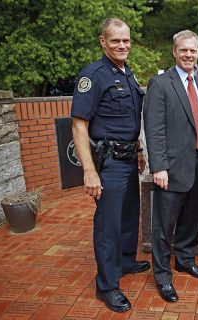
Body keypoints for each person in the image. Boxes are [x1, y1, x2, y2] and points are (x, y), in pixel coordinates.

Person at [71, 18, 150, 313]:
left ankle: (126, 261)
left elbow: (129, 121)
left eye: (126, 40)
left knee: (130, 216)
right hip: (109, 163)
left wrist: (139, 150)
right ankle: (106, 285)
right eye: (115, 40)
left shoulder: (127, 73)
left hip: (129, 158)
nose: (122, 45)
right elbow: (79, 127)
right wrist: (89, 170)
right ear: (103, 42)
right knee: (108, 224)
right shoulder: (93, 75)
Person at [143, 30, 198, 303]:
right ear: (174, 52)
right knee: (164, 226)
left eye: (193, 51)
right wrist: (158, 166)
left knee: (191, 220)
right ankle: (162, 276)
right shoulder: (160, 84)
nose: (188, 55)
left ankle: (185, 260)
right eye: (183, 50)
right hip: (169, 169)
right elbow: (154, 128)